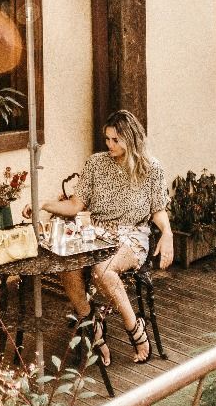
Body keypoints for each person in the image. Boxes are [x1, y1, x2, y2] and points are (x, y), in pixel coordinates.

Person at [41, 109, 173, 365]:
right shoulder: (96, 163)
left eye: (116, 140)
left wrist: (167, 233)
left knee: (103, 271)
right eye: (107, 139)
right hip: (96, 233)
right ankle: (92, 325)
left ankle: (135, 329)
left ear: (131, 139)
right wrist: (44, 205)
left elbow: (158, 209)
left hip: (132, 236)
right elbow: (75, 205)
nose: (109, 145)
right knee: (66, 264)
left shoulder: (151, 169)